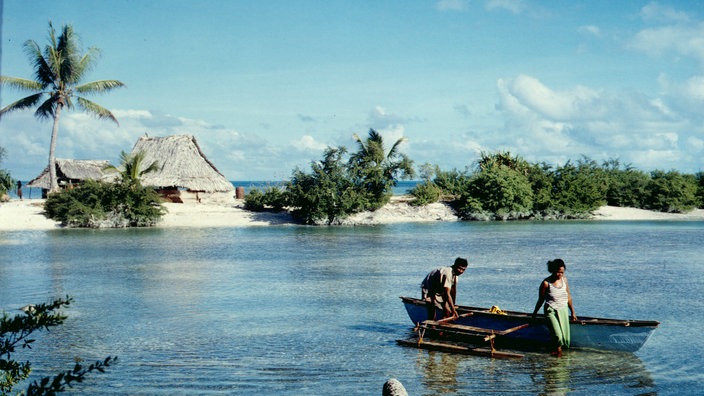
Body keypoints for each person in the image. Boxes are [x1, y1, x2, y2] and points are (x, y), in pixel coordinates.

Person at [532, 258, 577, 357]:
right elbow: (540, 300)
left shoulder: (564, 280)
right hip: (550, 310)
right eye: (558, 272)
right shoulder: (546, 283)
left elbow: (568, 296)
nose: (560, 274)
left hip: (563, 310)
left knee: (565, 337)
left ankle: (557, 354)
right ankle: (557, 355)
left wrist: (573, 312)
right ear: (552, 270)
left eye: (562, 272)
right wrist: (534, 313)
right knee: (558, 335)